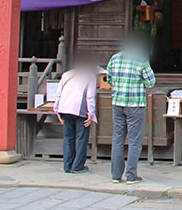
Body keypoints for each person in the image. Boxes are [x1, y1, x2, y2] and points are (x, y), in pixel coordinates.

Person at [106, 33, 155, 185]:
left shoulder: (114, 58)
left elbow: (108, 79)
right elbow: (151, 82)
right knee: (134, 141)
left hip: (118, 103)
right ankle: (131, 175)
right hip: (135, 104)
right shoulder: (141, 59)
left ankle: (115, 175)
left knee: (117, 139)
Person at [53, 54, 98, 174]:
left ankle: (67, 165)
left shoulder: (67, 74)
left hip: (65, 108)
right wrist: (91, 113)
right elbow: (90, 96)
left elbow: (58, 94)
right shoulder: (90, 76)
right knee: (82, 138)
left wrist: (56, 110)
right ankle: (78, 166)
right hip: (80, 109)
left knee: (68, 138)